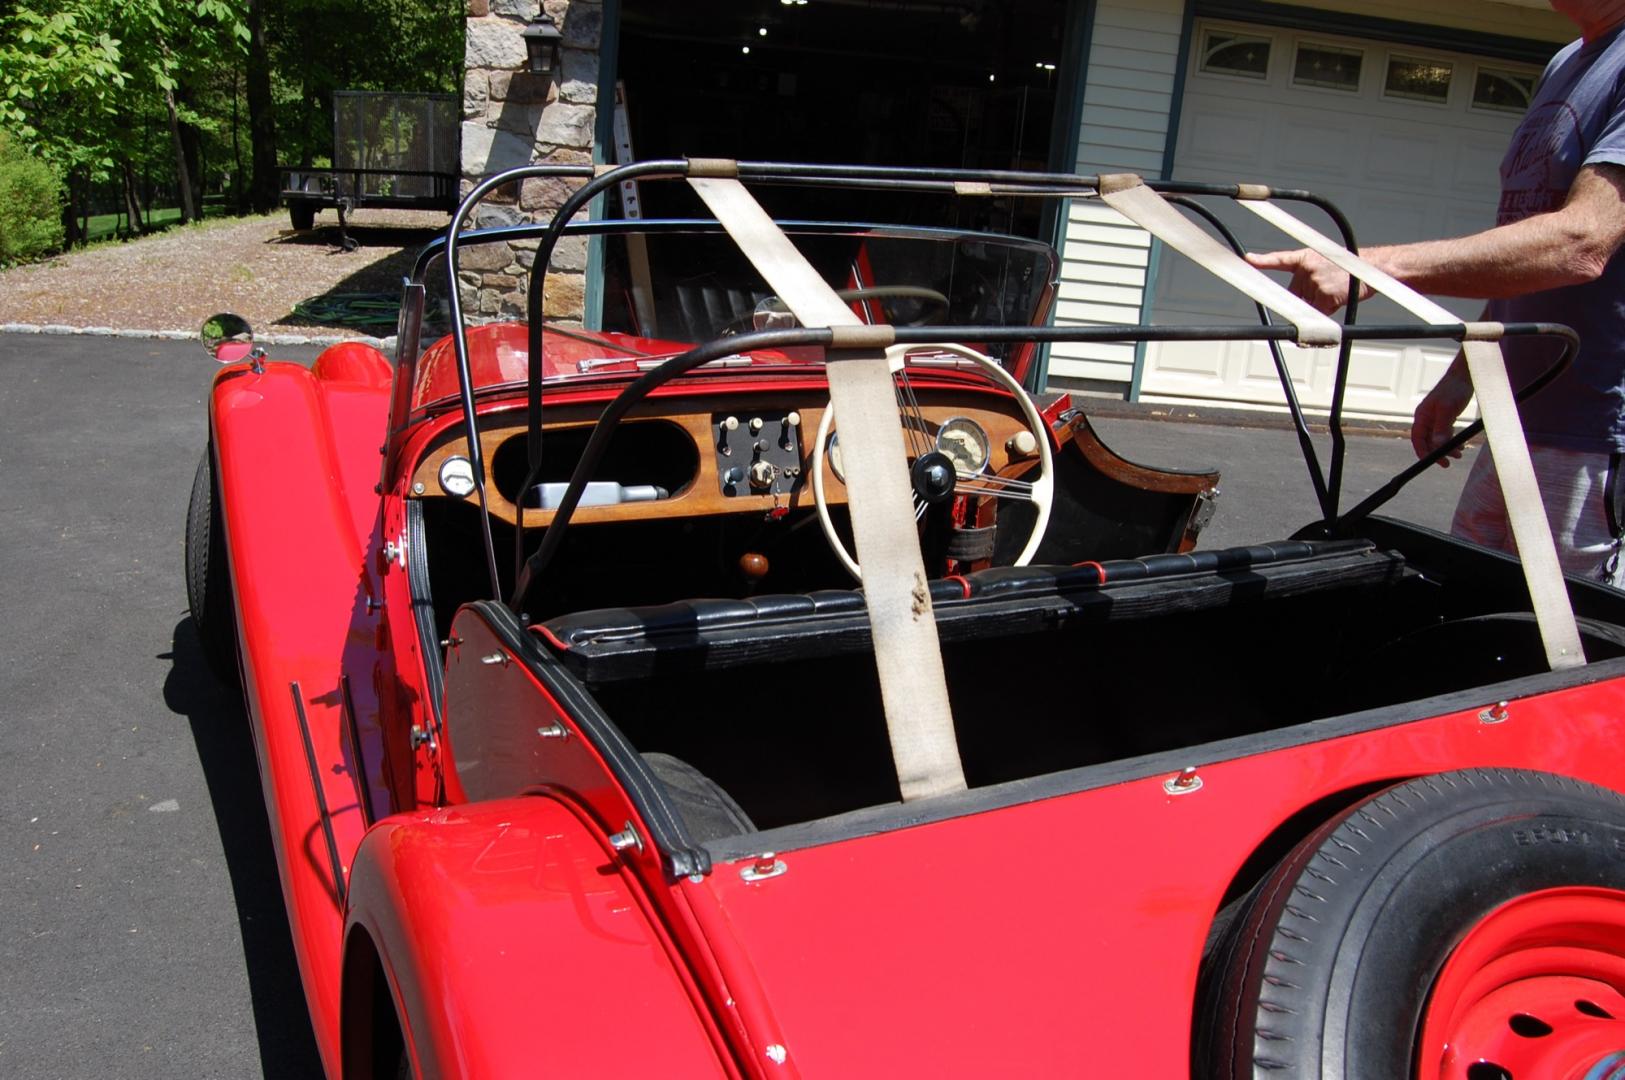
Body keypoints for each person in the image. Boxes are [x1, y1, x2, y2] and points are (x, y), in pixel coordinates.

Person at [1247, 0, 1625, 582]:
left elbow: (1581, 242)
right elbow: (1520, 247)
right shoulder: (1568, 64)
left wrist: (1367, 268)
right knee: (1469, 607)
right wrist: (1461, 379)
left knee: (1569, 642)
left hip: (1597, 435)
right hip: (1518, 415)